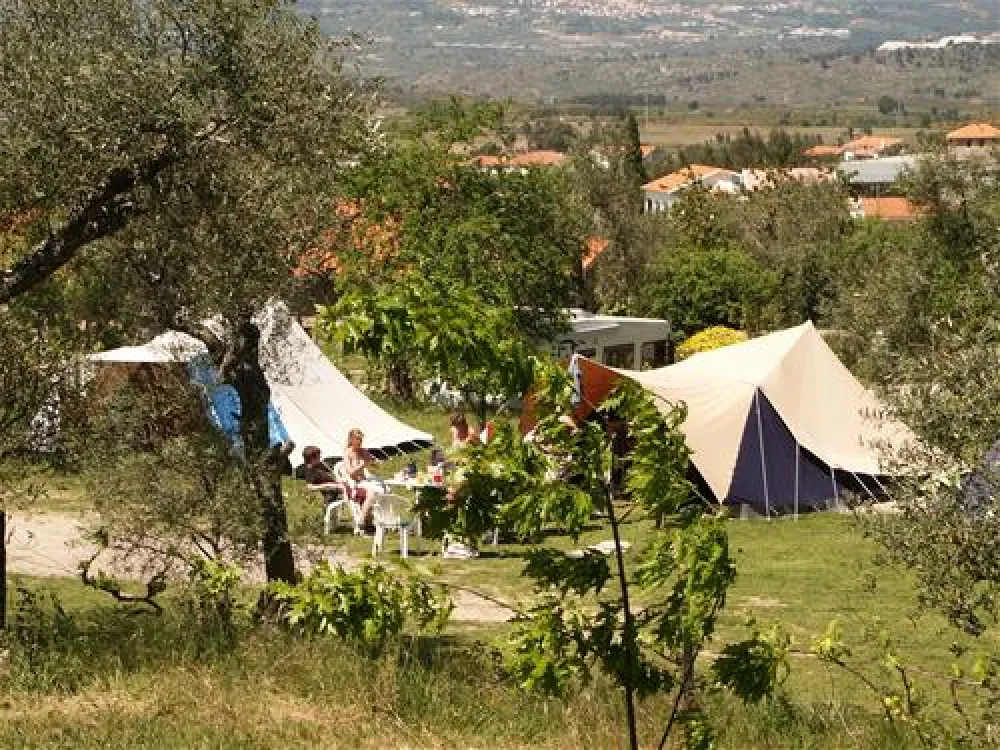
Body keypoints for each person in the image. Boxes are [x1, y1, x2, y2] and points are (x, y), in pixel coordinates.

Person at [342, 428, 379, 527]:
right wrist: (361, 465)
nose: (360, 442)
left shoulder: (363, 451)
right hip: (353, 484)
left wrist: (374, 463)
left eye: (361, 439)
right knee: (371, 493)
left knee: (382, 488)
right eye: (358, 439)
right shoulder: (347, 453)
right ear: (351, 440)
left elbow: (372, 462)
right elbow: (350, 472)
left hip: (363, 482)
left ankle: (373, 522)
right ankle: (361, 522)